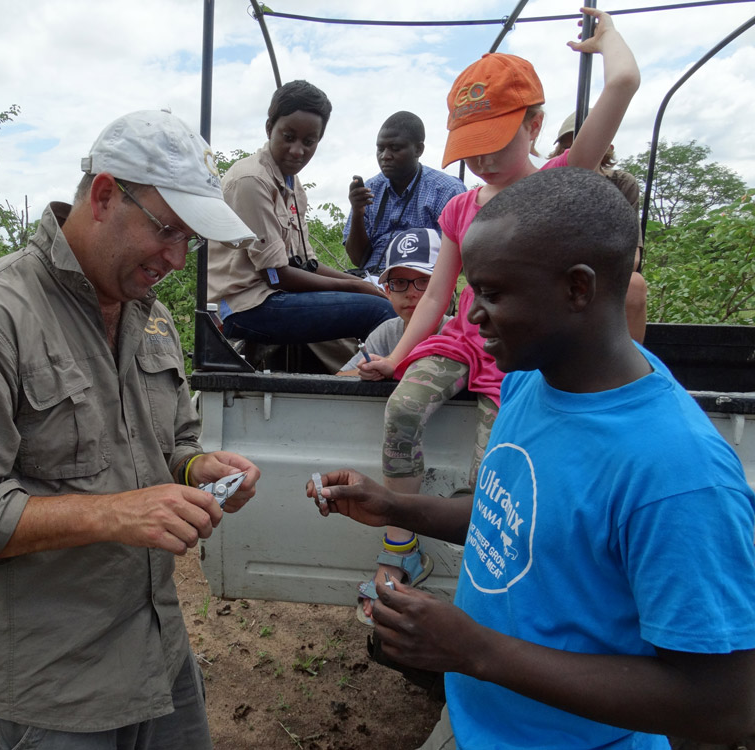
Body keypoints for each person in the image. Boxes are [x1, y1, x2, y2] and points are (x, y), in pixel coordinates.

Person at [312, 167, 755, 749]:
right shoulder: (532, 382)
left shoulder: (678, 475)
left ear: (578, 288)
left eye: (492, 295)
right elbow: (513, 518)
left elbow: (723, 705)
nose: (470, 317)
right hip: (477, 721)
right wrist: (396, 505)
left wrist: (474, 650)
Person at [0, 110, 262, 749]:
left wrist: (198, 470)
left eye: (190, 239)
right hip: (46, 689)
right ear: (106, 194)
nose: (175, 257)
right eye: (167, 230)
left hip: (160, 657)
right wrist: (109, 515)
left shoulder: (151, 315)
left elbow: (170, 445)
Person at [356, 7, 640, 620]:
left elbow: (621, 87)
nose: (482, 162)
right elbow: (436, 293)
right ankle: (400, 543)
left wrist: (609, 40)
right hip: (464, 341)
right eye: (471, 149)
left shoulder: (561, 183)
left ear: (535, 125)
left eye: (494, 144)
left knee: (501, 466)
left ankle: (486, 581)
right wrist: (398, 356)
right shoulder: (459, 207)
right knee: (402, 408)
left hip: (522, 355)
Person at [207, 80, 397, 373]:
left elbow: (306, 265)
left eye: (309, 142)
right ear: (269, 127)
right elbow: (276, 275)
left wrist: (364, 283)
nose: (298, 151)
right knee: (382, 310)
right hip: (245, 307)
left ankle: (358, 373)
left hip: (275, 295)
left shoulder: (291, 183)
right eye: (289, 137)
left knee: (378, 296)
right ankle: (351, 382)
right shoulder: (251, 180)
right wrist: (359, 288)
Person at [551, 110, 648, 342]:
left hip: (602, 273)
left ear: (606, 148)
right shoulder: (548, 183)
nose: (581, 152)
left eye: (591, 143)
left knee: (634, 285)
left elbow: (631, 257)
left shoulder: (622, 184)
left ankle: (628, 369)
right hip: (554, 272)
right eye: (570, 146)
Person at [343, 111, 465, 275]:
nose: (385, 156)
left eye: (395, 148)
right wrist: (358, 212)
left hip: (423, 285)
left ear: (418, 149)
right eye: (380, 149)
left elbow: (459, 259)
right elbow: (357, 260)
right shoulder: (370, 189)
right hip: (370, 280)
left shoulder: (446, 190)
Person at [336, 228, 449, 376]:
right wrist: (369, 372)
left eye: (423, 281)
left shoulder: (456, 332)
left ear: (445, 286)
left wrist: (395, 366)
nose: (411, 293)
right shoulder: (385, 333)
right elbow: (340, 377)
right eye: (400, 282)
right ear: (388, 291)